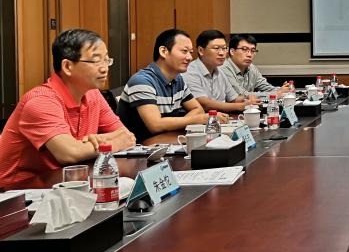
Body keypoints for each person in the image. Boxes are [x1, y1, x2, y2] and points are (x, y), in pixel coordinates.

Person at [0, 29, 135, 190]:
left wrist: (96, 142)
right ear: (67, 66)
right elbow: (69, 153)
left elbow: (127, 137)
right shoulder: (40, 101)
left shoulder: (92, 94)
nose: (105, 68)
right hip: (17, 193)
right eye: (96, 61)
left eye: (106, 60)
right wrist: (110, 142)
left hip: (65, 183)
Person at [117, 29, 207, 143]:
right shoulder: (142, 81)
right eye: (184, 51)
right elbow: (155, 125)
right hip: (138, 146)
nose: (190, 57)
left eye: (191, 52)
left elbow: (197, 109)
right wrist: (197, 120)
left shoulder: (178, 79)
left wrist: (182, 123)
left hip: (164, 139)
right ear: (163, 51)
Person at [183, 30, 256, 114]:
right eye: (216, 48)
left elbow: (233, 99)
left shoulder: (220, 71)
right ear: (201, 50)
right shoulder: (190, 71)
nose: (222, 53)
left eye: (224, 48)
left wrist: (247, 98)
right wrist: (241, 106)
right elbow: (204, 104)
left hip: (222, 118)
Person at [222, 34, 291, 101]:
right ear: (232, 51)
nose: (249, 55)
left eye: (253, 50)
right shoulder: (224, 69)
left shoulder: (252, 67)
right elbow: (242, 95)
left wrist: (282, 90)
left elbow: (265, 87)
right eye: (244, 49)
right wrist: (274, 94)